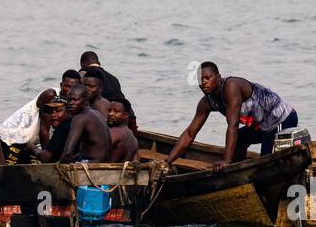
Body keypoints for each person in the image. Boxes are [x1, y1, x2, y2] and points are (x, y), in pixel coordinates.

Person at [168, 62, 298, 171]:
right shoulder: (206, 103)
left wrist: (226, 160)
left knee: (265, 163)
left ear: (218, 77)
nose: (203, 83)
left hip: (281, 118)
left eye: (208, 78)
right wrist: (167, 162)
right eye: (200, 80)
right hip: (262, 126)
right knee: (240, 139)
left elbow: (233, 125)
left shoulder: (231, 87)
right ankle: (236, 172)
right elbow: (190, 134)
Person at [0, 88, 57, 163]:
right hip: (12, 139)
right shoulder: (51, 96)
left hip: (29, 143)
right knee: (11, 170)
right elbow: (44, 130)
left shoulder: (68, 102)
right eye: (67, 86)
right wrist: (48, 158)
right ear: (61, 85)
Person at [59, 83, 111, 164]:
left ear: (86, 100)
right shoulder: (96, 113)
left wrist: (58, 166)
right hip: (103, 162)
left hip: (91, 164)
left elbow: (67, 153)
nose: (71, 103)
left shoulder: (80, 118)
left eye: (76, 100)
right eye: (69, 99)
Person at [30, 97, 71, 163]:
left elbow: (45, 158)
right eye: (50, 111)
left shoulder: (63, 128)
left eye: (58, 111)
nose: (53, 115)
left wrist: (32, 147)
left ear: (68, 112)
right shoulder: (72, 123)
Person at [106, 98, 141, 163]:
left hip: (105, 171)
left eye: (116, 111)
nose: (110, 114)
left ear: (126, 115)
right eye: (109, 110)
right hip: (121, 172)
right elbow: (136, 162)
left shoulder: (115, 132)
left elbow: (98, 154)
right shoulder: (133, 138)